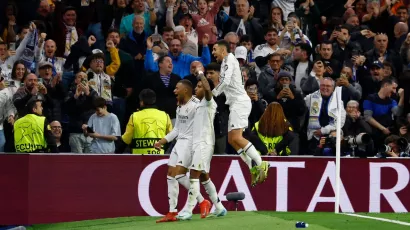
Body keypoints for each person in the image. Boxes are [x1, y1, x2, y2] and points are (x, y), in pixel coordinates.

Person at [211, 40, 269, 187]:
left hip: (240, 103)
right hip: (235, 104)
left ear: (223, 50)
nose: (213, 53)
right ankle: (252, 168)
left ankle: (262, 163)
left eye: (214, 49)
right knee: (231, 139)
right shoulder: (225, 62)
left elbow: (226, 81)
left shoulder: (230, 59)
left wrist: (213, 93)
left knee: (237, 137)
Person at [154, 80, 211, 223]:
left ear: (185, 90)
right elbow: (177, 129)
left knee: (179, 175)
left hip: (191, 144)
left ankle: (203, 201)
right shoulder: (180, 106)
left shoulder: (196, 106)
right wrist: (163, 141)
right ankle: (172, 211)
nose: (174, 91)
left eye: (177, 88)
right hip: (179, 143)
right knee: (170, 175)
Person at [176, 69, 227, 220]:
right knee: (204, 177)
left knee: (193, 175)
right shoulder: (198, 105)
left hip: (204, 144)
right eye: (196, 86)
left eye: (198, 86)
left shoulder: (209, 102)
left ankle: (188, 209)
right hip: (198, 143)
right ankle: (219, 207)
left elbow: (206, 88)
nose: (196, 89)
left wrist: (200, 72)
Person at [117, 89, 173, 154]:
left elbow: (126, 139)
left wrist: (118, 151)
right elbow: (170, 137)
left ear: (141, 102)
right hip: (158, 157)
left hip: (139, 158)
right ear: (154, 100)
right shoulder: (165, 115)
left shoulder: (135, 116)